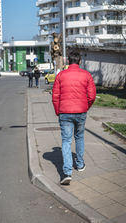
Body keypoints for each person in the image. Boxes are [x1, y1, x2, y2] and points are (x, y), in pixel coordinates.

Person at [52, 48, 96, 185]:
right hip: (81, 112)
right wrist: (85, 107)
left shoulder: (61, 75)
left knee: (66, 141)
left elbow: (55, 96)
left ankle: (67, 172)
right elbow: (92, 95)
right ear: (80, 61)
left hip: (65, 112)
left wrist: (58, 111)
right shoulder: (86, 75)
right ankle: (80, 164)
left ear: (68, 61)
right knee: (79, 137)